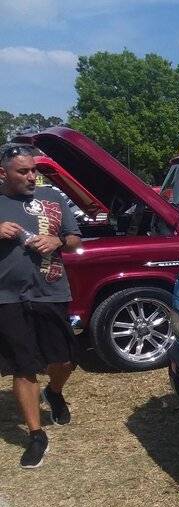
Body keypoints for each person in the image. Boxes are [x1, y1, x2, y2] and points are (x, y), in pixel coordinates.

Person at [0, 144, 82, 468]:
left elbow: (76, 239)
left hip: (50, 290)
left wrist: (58, 240)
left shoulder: (53, 199)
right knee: (23, 364)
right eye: (23, 171)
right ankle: (36, 435)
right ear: (3, 173)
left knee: (63, 359)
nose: (32, 176)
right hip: (6, 296)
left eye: (34, 170)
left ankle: (55, 392)